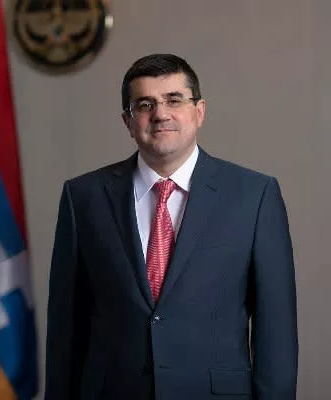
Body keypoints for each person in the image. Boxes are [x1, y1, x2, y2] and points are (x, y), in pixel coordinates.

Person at [44, 54, 298, 400]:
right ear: (128, 121)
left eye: (174, 100)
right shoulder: (83, 197)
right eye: (145, 104)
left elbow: (276, 332)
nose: (160, 114)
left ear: (199, 111)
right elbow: (65, 329)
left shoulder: (254, 195)